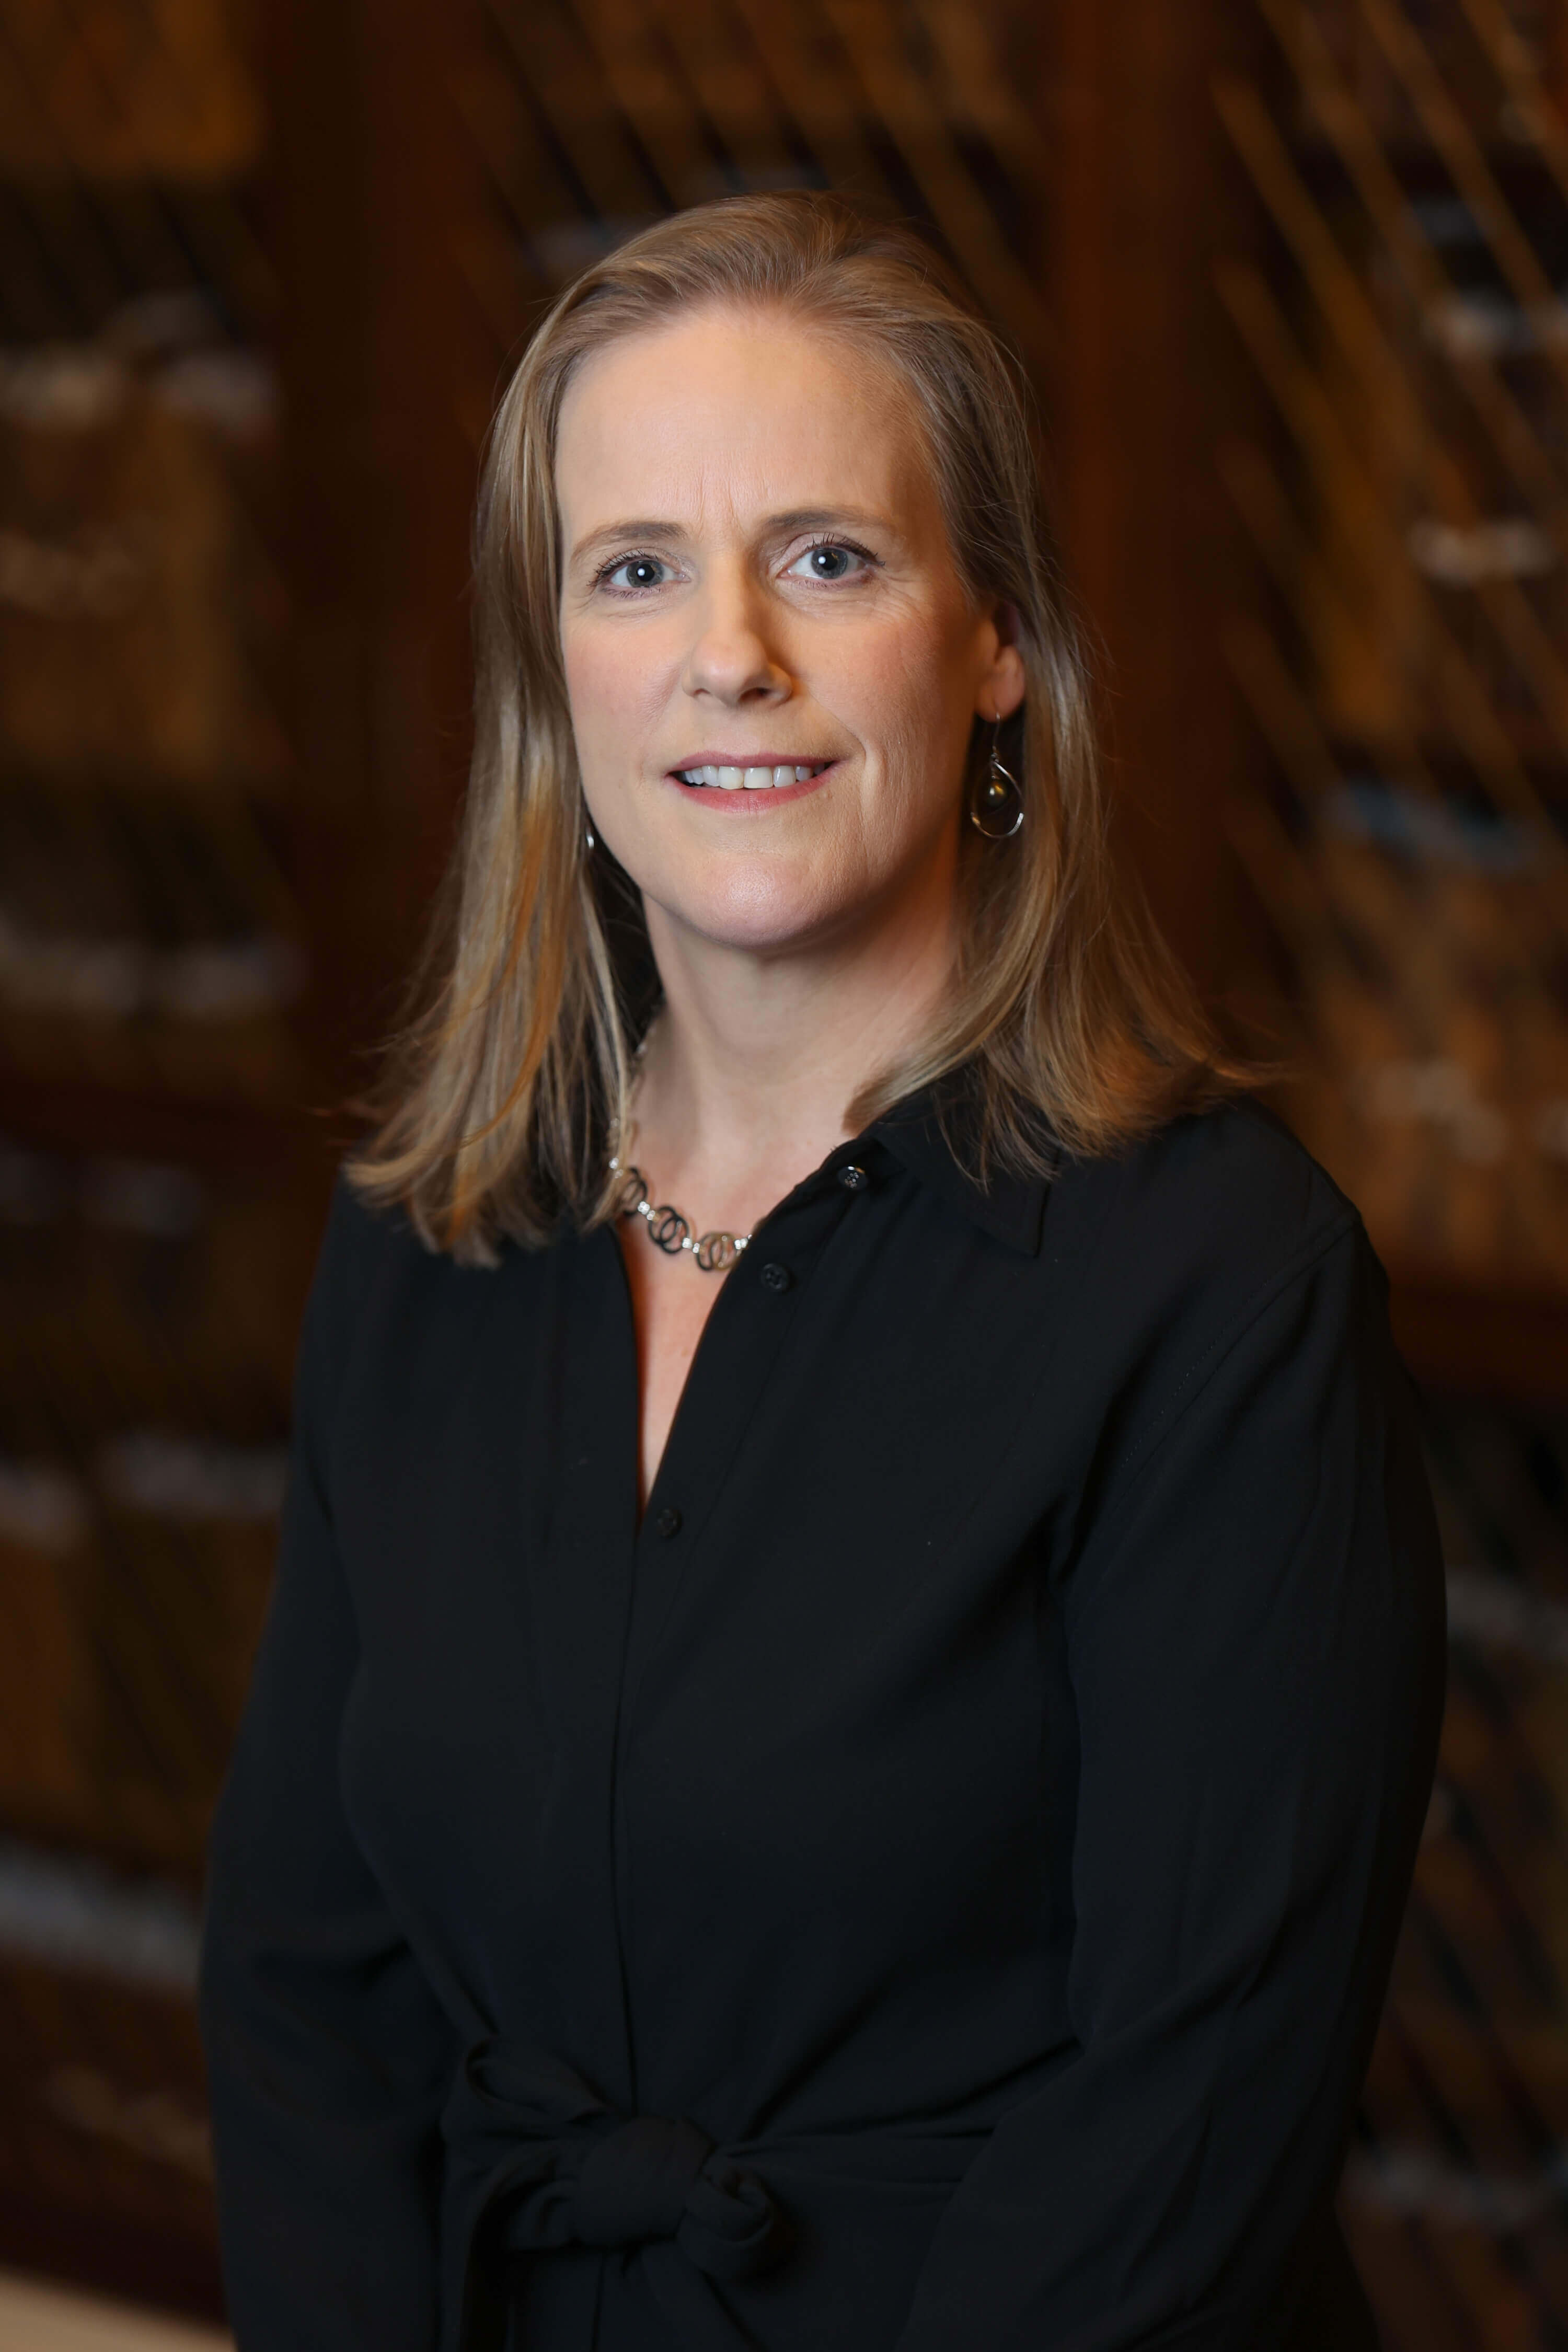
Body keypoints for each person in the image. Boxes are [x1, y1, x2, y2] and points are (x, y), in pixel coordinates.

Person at [199, 192, 1445, 2352]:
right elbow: (309, 1993)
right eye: (636, 569)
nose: (728, 654)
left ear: (996, 645)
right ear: (554, 674)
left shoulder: (1222, 1288)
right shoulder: (435, 1229)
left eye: (830, 557)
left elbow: (1190, 2122)